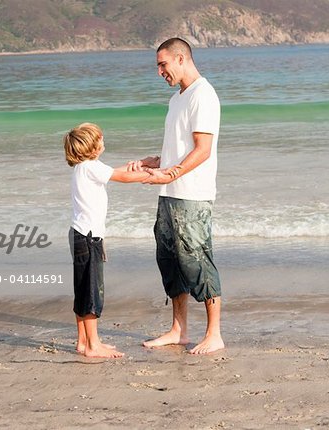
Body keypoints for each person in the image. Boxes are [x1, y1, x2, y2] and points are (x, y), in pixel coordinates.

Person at [128, 37, 225, 355]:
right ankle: (179, 330)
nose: (160, 72)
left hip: (192, 195)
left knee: (196, 260)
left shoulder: (203, 95)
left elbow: (203, 150)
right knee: (169, 261)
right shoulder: (177, 100)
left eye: (163, 64)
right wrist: (154, 163)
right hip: (169, 192)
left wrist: (170, 173)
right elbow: (180, 149)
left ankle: (214, 334)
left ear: (181, 59)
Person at [64, 122, 150, 358]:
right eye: (100, 139)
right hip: (88, 238)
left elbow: (113, 171)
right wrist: (156, 175)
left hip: (80, 235)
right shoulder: (91, 167)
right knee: (92, 291)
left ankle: (83, 341)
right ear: (91, 146)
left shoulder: (84, 168)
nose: (103, 141)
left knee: (82, 289)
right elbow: (121, 177)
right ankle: (93, 345)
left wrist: (141, 163)